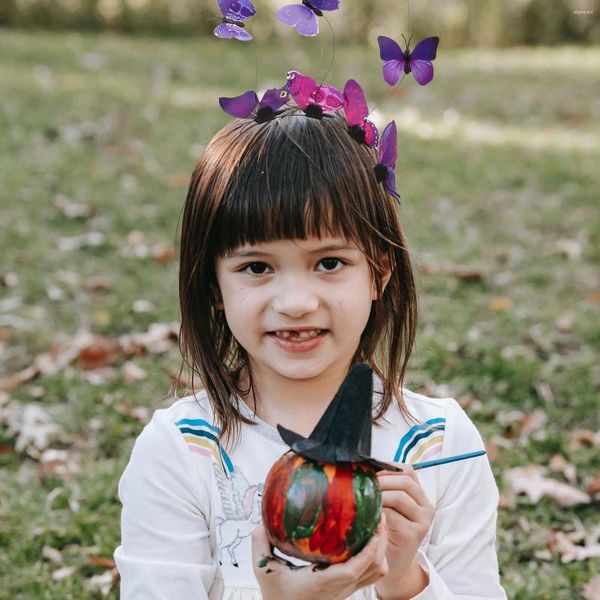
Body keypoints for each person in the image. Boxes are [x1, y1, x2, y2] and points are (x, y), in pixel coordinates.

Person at [114, 107, 508, 599]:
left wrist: (406, 579)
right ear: (214, 284)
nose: (296, 302)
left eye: (329, 262)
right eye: (256, 267)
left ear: (379, 273)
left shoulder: (441, 447)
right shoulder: (182, 454)